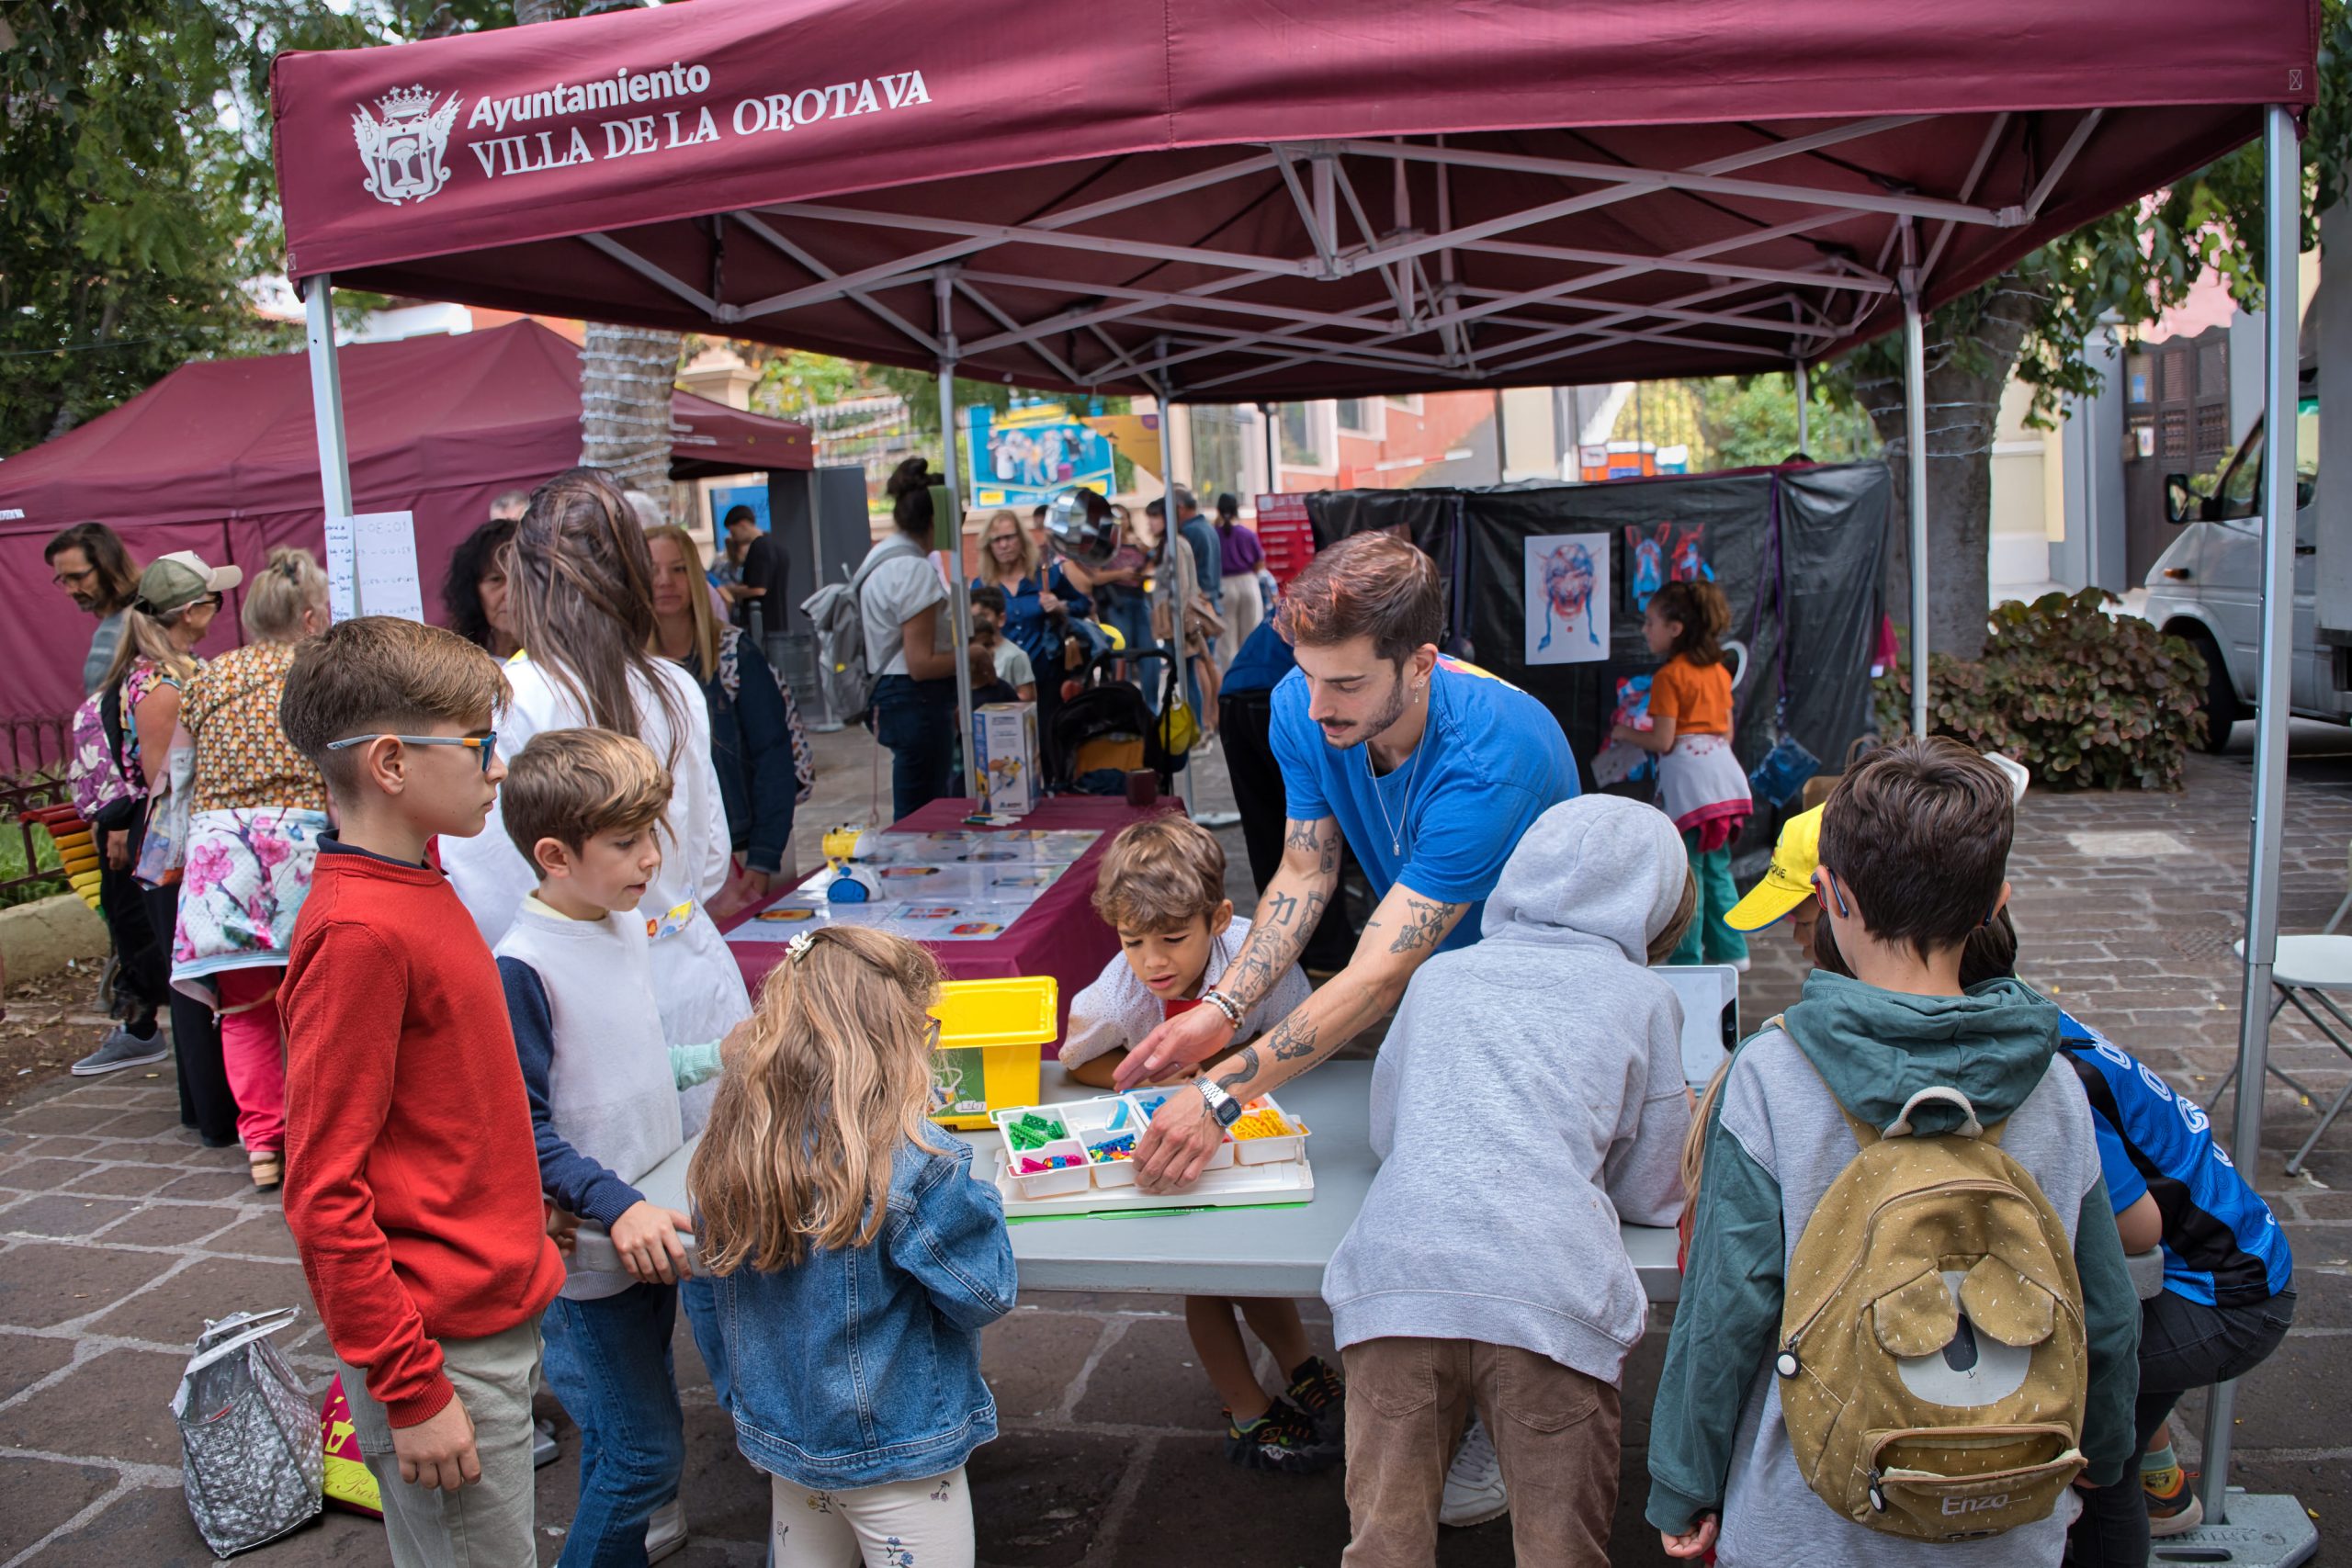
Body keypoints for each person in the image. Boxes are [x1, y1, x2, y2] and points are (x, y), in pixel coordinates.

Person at [1647, 739, 2140, 1567]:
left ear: (1830, 893)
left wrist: (1682, 1480)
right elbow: (2108, 1310)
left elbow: (1723, 1312)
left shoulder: (1773, 1076)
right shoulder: (2053, 1084)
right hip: (2005, 1511)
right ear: (1997, 903)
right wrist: (2108, 1452)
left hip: (1811, 1515)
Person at [1327, 794, 1695, 1566]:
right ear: (1655, 904)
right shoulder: (1645, 999)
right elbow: (1655, 1191)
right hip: (1551, 1296)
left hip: (1397, 1285)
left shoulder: (1440, 977)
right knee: (1561, 1548)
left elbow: (1392, 1131)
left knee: (1384, 1547)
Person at [277, 615, 567, 1568]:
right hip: (442, 1349)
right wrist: (410, 1388)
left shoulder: (415, 880)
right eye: (481, 744)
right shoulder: (360, 932)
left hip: (482, 1315)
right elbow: (323, 1193)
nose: (496, 769)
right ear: (392, 762)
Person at [1948, 915, 2297, 1562]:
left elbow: (2141, 1228)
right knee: (2107, 1437)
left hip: (2230, 1296)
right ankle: (2156, 1488)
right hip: (2231, 1270)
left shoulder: (2047, 1074)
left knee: (2090, 1453)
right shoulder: (2029, 1016)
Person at [689, 925, 1017, 1568]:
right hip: (898, 1450)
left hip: (788, 1438)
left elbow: (707, 1291)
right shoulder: (916, 1161)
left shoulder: (734, 1146)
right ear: (894, 1039)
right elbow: (984, 1291)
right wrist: (983, 1197)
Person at [494, 728, 732, 1568]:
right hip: (593, 1252)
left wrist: (712, 1059)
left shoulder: (617, 922)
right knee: (642, 1456)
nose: (651, 858)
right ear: (555, 854)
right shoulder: (523, 966)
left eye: (653, 834)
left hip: (640, 1229)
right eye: (628, 842)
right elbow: (526, 1131)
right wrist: (618, 1203)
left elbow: (625, 1064)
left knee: (625, 1437)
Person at [441, 468, 751, 1105]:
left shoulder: (510, 700)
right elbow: (710, 855)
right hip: (686, 971)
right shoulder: (673, 685)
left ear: (527, 581)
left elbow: (490, 888)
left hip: (583, 994)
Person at [1057, 818, 1337, 1470]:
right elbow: (1077, 1062)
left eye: (1172, 939)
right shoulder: (1117, 993)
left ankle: (1301, 1366)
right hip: (1171, 1150)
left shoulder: (1260, 957)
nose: (1153, 961)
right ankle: (1247, 1412)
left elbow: (1300, 1033)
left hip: (1254, 1128)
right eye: (1132, 941)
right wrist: (1160, 1075)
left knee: (1253, 1262)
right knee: (1206, 1279)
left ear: (1220, 919)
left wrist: (1223, 1073)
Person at [168, 547, 332, 1190]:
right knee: (322, 999)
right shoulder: (320, 669)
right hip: (303, 846)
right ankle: (325, 1134)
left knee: (243, 1008)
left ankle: (264, 1143)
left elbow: (175, 777)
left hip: (222, 855)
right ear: (312, 616)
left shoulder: (206, 678)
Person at [87, 550, 241, 1144]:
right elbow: (165, 782)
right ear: (192, 610)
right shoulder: (161, 683)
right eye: (212, 599)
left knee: (200, 977)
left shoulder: (171, 670)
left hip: (179, 839)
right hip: (176, 843)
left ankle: (207, 1105)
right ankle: (214, 1112)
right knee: (197, 979)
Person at [647, 524, 810, 898]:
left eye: (678, 569)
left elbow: (774, 759)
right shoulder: (628, 668)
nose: (664, 582)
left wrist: (764, 858)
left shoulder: (735, 654)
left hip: (744, 850)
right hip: (667, 861)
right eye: (652, 570)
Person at [1611, 581, 1751, 969]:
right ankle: (1733, 953)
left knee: (1688, 875)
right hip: (1724, 782)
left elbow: (1663, 739)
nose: (1645, 630)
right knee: (1717, 867)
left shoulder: (1671, 677)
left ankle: (1687, 959)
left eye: (1651, 622)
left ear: (1675, 628)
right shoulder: (1719, 673)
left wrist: (1624, 733)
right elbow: (1726, 732)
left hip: (1690, 789)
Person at [1216, 619, 1358, 974]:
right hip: (1271, 690)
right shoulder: (1295, 698)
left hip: (1240, 691)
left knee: (1270, 832)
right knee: (1312, 830)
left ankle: (1297, 953)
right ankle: (1321, 953)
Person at [859, 458, 960, 818]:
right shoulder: (913, 568)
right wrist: (974, 655)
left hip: (896, 697)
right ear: (935, 519)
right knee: (922, 814)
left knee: (915, 808)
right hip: (915, 701)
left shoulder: (882, 556)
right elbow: (921, 664)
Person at [975, 507, 1091, 763]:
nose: (1004, 545)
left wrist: (1061, 606)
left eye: (1010, 537)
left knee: (1049, 745)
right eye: (997, 540)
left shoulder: (1046, 576)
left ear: (1021, 539)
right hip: (1003, 681)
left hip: (1046, 675)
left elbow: (1084, 605)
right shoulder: (982, 585)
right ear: (989, 546)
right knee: (1008, 752)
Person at [44, 521, 140, 695]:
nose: (69, 590)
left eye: (77, 577)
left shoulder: (145, 620)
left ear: (108, 566)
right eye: (64, 580)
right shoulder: (116, 620)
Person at [442, 516, 522, 659]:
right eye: (496, 579)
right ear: (472, 590)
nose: (510, 594)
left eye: (519, 579)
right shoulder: (457, 664)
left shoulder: (561, 665)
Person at [1213, 492, 1267, 664]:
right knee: (1250, 636)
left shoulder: (1214, 535)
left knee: (1226, 641)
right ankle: (1250, 678)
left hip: (1224, 585)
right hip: (1248, 583)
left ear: (1218, 510)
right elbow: (1259, 563)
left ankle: (1231, 680)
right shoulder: (1248, 534)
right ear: (1237, 510)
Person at [723, 505, 791, 640]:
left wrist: (731, 590)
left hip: (761, 626)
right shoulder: (776, 546)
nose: (733, 538)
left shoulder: (759, 547)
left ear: (743, 525)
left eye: (733, 533)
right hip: (779, 624)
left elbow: (758, 589)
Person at [967, 583, 1037, 702]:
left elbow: (1028, 697)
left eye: (983, 616)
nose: (977, 622)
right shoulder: (965, 654)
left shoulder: (1015, 655)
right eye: (971, 618)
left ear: (1001, 619)